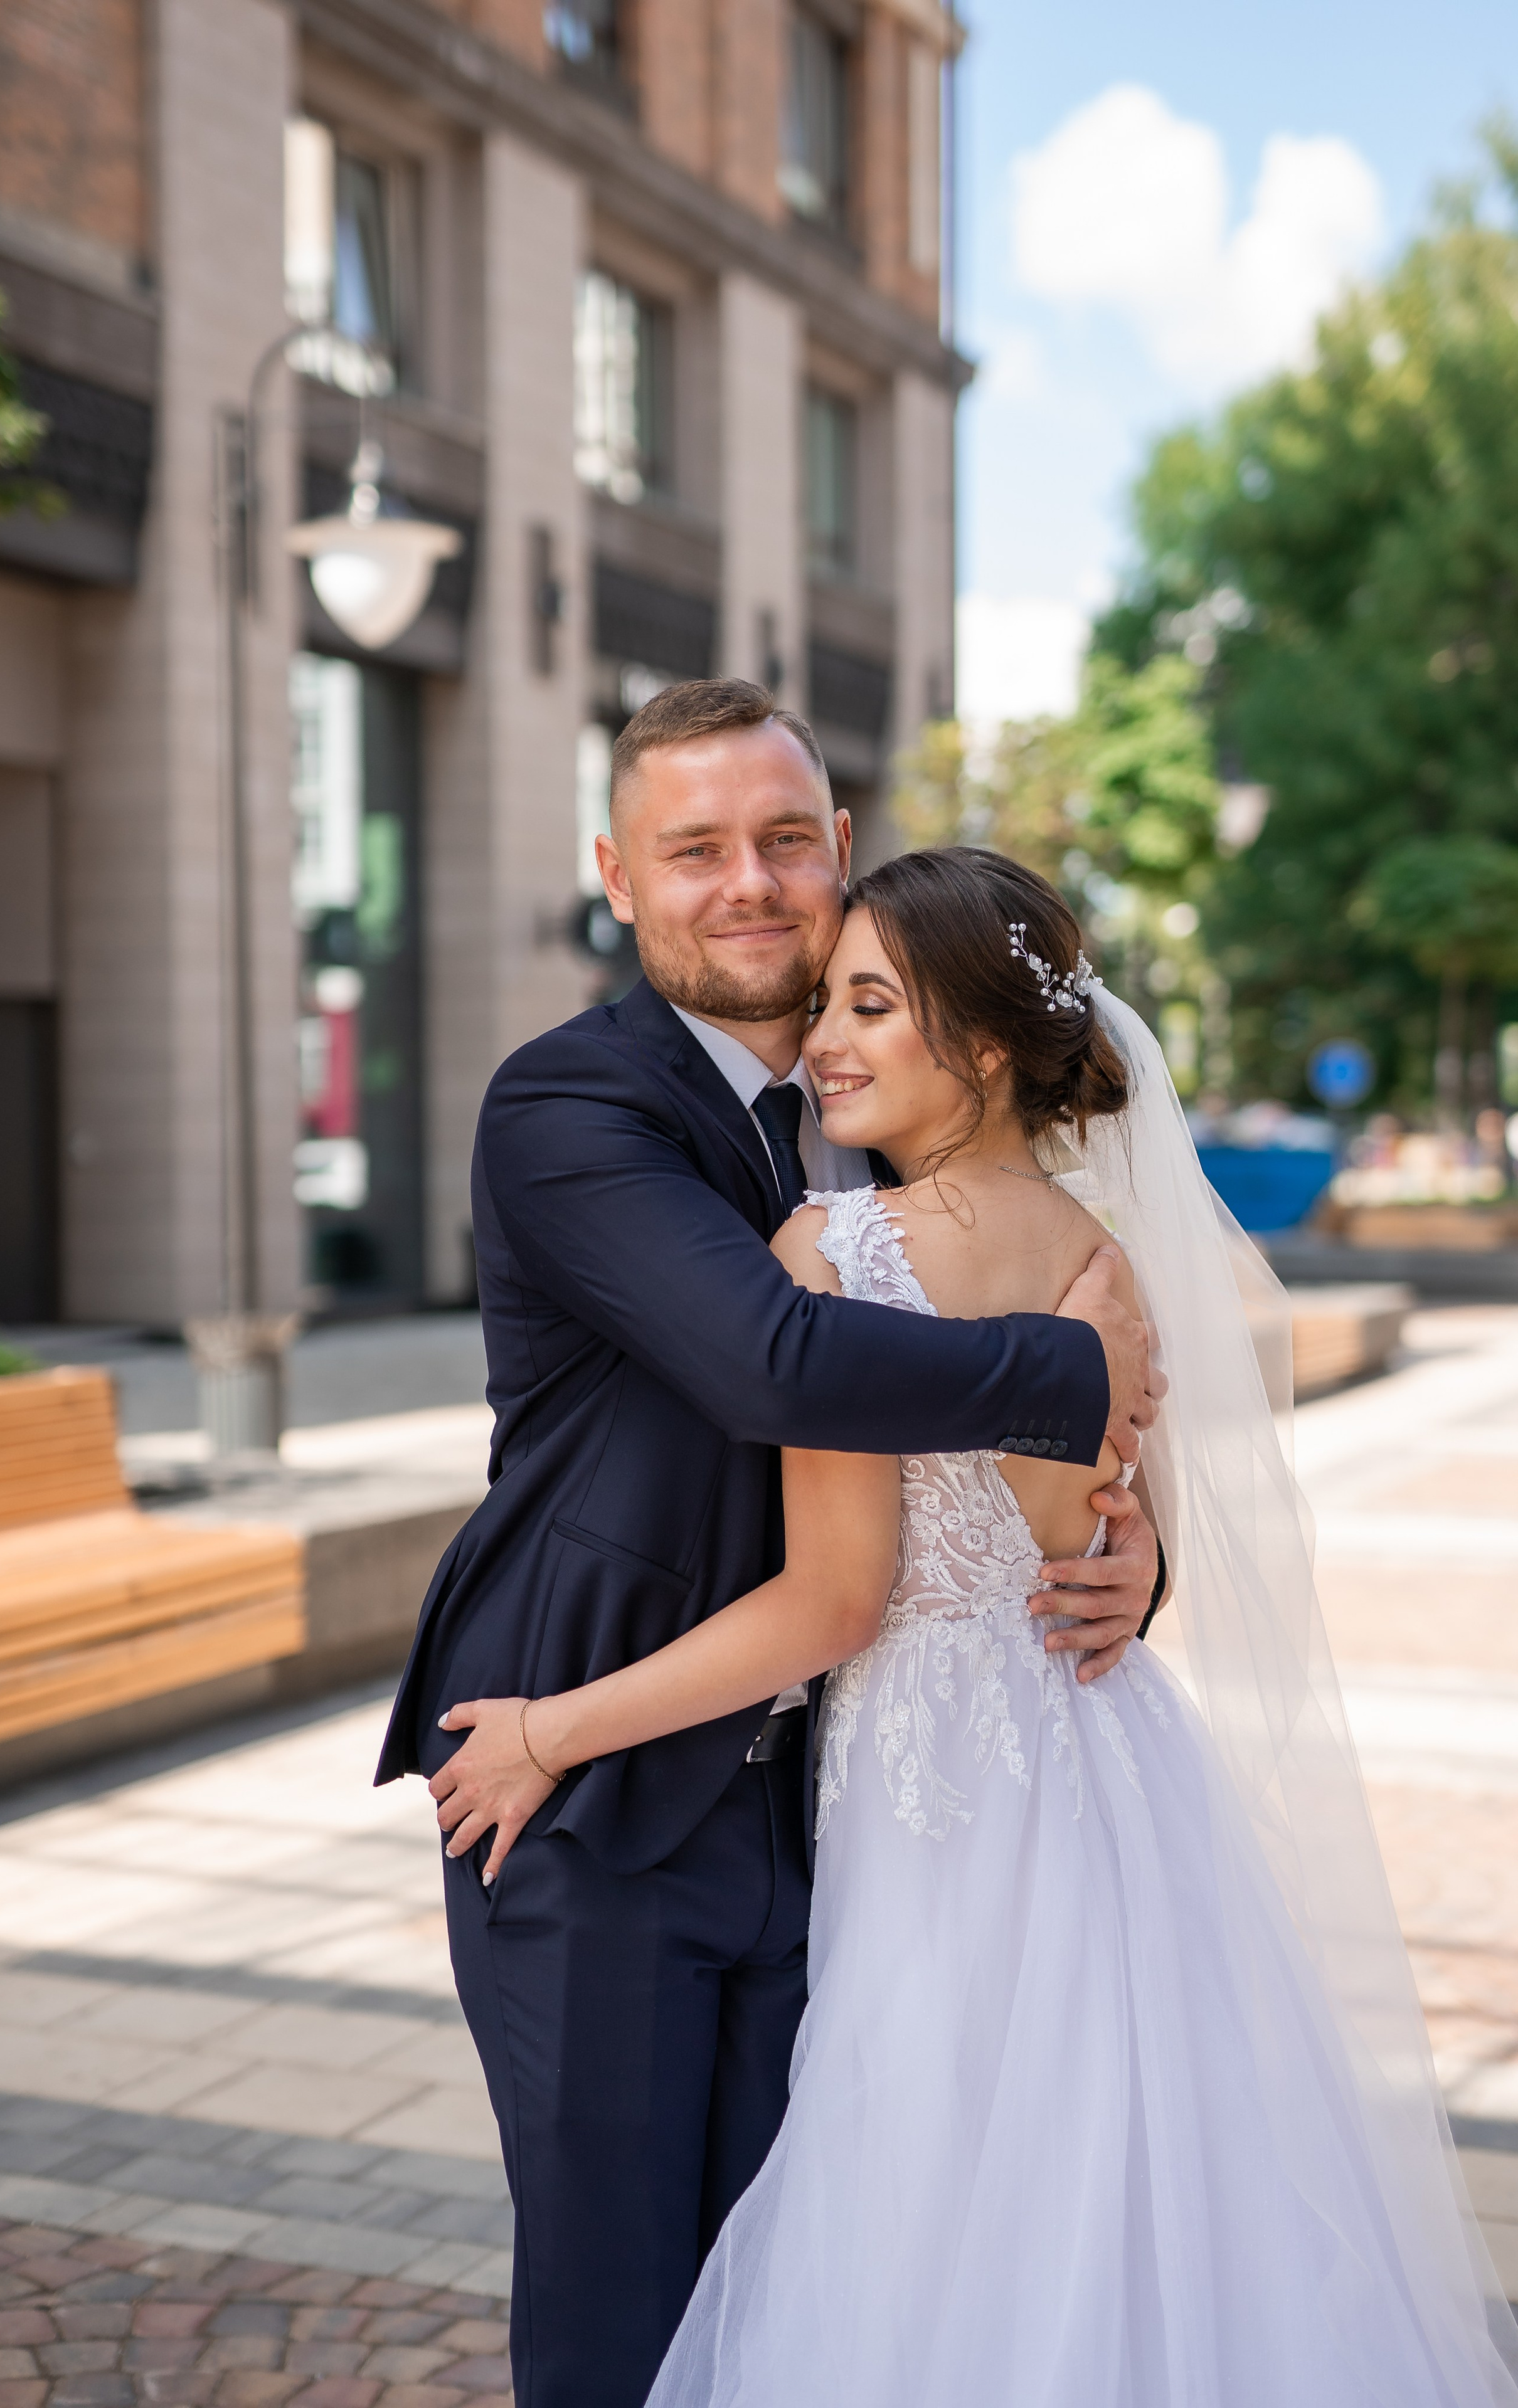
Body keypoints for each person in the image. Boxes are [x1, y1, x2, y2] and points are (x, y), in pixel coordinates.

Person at [439, 849, 1518, 2407]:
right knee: (1145, 2188)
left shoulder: (844, 1252)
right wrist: (1121, 1555)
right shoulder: (1108, 1258)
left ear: (989, 1044)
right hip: (1115, 1779)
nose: (827, 1040)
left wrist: (550, 1728)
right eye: (830, 1004)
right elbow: (1079, 1523)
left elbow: (832, 1602)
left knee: (931, 2213)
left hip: (929, 1806)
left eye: (871, 1006)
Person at [375, 681, 1165, 2408]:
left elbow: (963, 1475)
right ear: (618, 874)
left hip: (847, 1807)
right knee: (621, 2315)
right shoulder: (568, 1105)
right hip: (587, 1786)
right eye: (697, 848)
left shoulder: (865, 1089)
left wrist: (1128, 1561)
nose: (750, 882)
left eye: (786, 840)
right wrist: (1069, 1373)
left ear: (841, 855)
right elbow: (773, 1361)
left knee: (796, 2312)